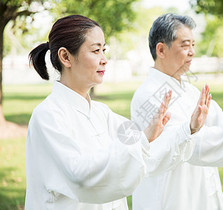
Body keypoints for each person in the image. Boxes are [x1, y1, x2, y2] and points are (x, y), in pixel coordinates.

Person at [131, 13, 223, 210]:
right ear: (161, 49)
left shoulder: (187, 89)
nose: (192, 52)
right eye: (185, 45)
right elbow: (196, 146)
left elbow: (219, 121)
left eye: (193, 45)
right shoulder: (148, 96)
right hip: (170, 201)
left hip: (202, 196)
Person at [25, 15, 177, 210]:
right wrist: (143, 139)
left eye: (103, 50)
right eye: (96, 50)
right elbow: (80, 176)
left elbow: (145, 149)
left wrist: (188, 129)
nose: (104, 60)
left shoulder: (102, 113)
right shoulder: (47, 116)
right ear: (66, 57)